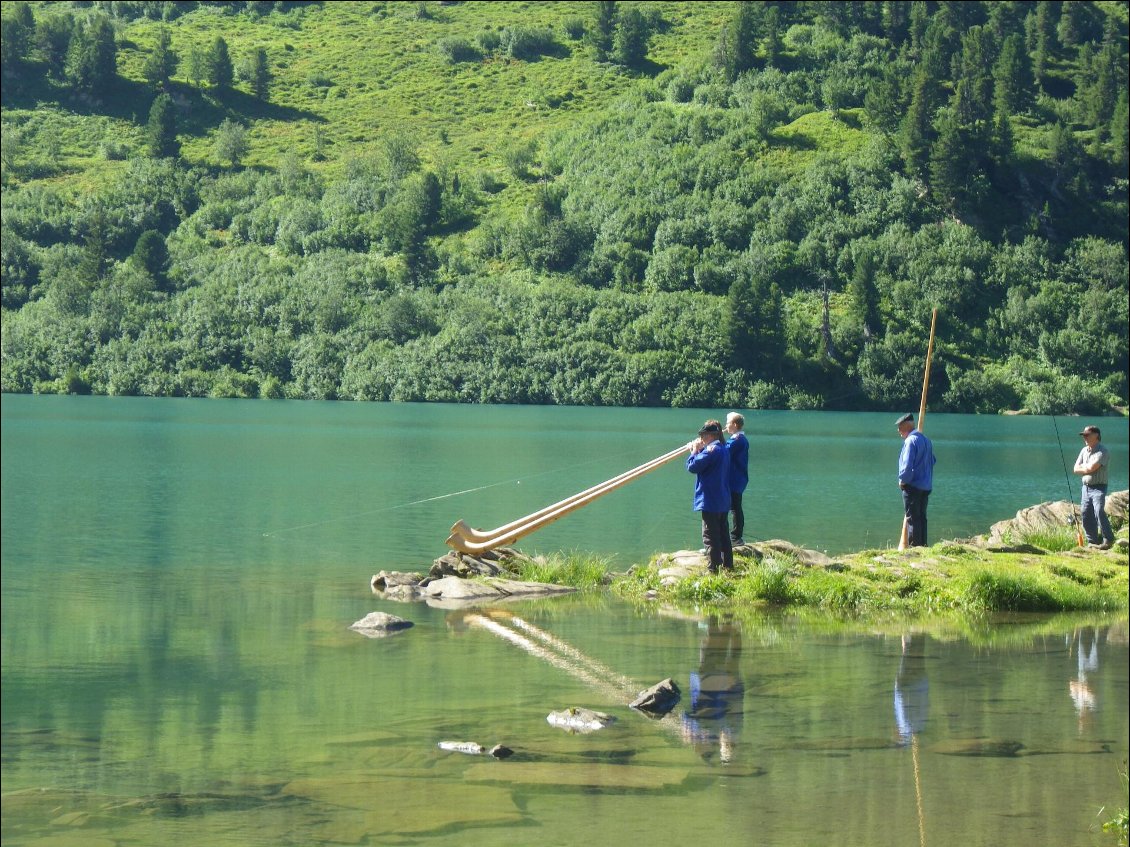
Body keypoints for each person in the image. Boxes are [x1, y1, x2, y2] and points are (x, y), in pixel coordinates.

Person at [687, 420, 733, 572]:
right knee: (723, 534)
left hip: (710, 500)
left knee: (710, 536)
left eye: (703, 435)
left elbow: (693, 467)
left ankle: (714, 569)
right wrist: (700, 450)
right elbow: (708, 465)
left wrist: (694, 450)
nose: (702, 438)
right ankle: (728, 565)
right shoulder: (723, 448)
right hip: (722, 499)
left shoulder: (711, 450)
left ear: (711, 435)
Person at [896, 413, 936, 547]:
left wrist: (903, 481)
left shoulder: (910, 441)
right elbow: (933, 460)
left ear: (907, 425)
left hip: (912, 487)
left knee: (912, 519)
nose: (898, 431)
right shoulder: (926, 440)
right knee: (922, 518)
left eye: (900, 427)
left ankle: (914, 549)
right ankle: (923, 546)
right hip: (926, 486)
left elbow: (907, 467)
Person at [1073, 425, 1113, 550]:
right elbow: (1075, 469)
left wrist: (1084, 468)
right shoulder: (1084, 450)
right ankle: (1092, 541)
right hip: (1086, 488)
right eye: (1083, 435)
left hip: (1099, 487)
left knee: (1099, 511)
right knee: (1085, 513)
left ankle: (1108, 539)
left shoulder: (1103, 451)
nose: (1084, 437)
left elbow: (1091, 468)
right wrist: (1086, 468)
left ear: (1096, 435)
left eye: (1087, 434)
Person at [725, 412, 749, 545]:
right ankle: (735, 537)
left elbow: (722, 451)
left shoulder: (737, 441)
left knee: (735, 508)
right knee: (735, 507)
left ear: (734, 424)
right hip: (737, 479)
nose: (726, 425)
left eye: (728, 422)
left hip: (735, 479)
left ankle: (735, 537)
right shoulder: (739, 439)